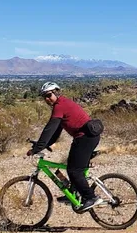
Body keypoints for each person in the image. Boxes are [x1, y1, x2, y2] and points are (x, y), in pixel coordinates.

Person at [27, 82, 103, 211]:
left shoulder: (60, 106)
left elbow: (49, 129)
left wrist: (37, 148)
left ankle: (91, 197)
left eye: (49, 95)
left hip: (85, 138)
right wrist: (45, 144)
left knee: (74, 170)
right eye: (44, 96)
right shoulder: (62, 104)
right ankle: (73, 193)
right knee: (72, 164)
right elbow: (56, 132)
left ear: (56, 92)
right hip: (86, 138)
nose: (47, 99)